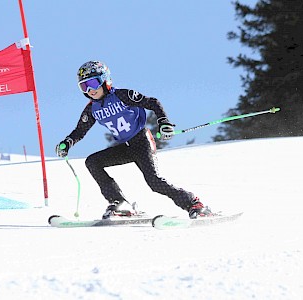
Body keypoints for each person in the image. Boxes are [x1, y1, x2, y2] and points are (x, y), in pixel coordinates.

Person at [56, 60, 212, 219]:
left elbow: (152, 102)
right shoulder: (92, 109)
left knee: (154, 182)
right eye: (84, 86)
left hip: (141, 141)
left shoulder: (122, 95)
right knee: (92, 162)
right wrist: (67, 143)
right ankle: (118, 202)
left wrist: (163, 122)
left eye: (93, 83)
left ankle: (194, 204)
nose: (90, 90)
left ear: (105, 80)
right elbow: (80, 131)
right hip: (125, 147)